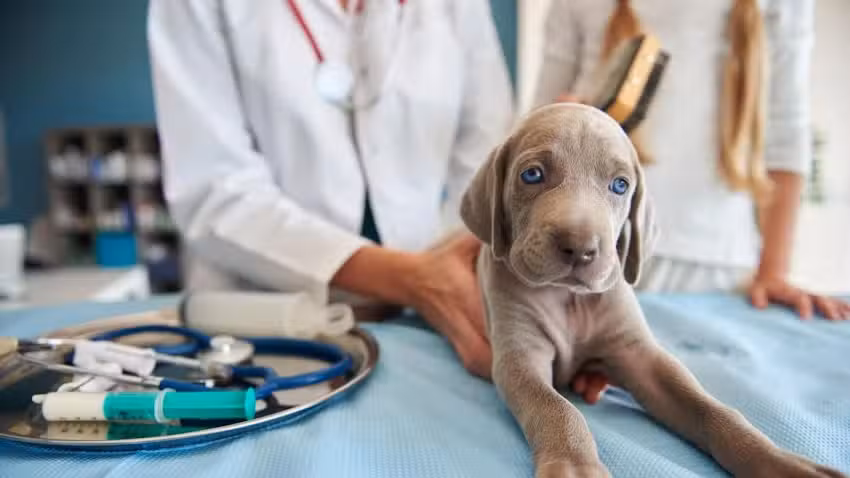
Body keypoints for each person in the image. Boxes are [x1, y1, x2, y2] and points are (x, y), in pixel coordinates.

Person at [147, 0, 514, 378]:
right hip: (267, 322)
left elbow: (489, 159)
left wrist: (458, 272)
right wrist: (413, 278)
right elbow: (214, 190)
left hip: (429, 320)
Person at [535, 0, 850, 403]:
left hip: (721, 278)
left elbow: (786, 136)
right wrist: (557, 122)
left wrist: (774, 272)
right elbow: (535, 125)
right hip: (592, 263)